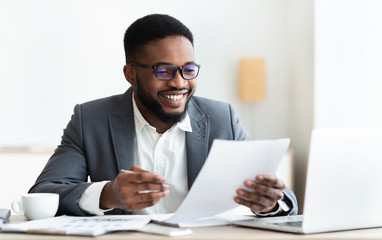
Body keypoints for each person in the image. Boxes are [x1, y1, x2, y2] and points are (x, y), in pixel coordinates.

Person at [29, 14, 298, 217]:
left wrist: (270, 202)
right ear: (131, 74)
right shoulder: (91, 119)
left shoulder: (221, 117)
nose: (179, 83)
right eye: (164, 71)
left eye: (188, 69)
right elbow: (45, 191)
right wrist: (108, 194)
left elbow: (283, 196)